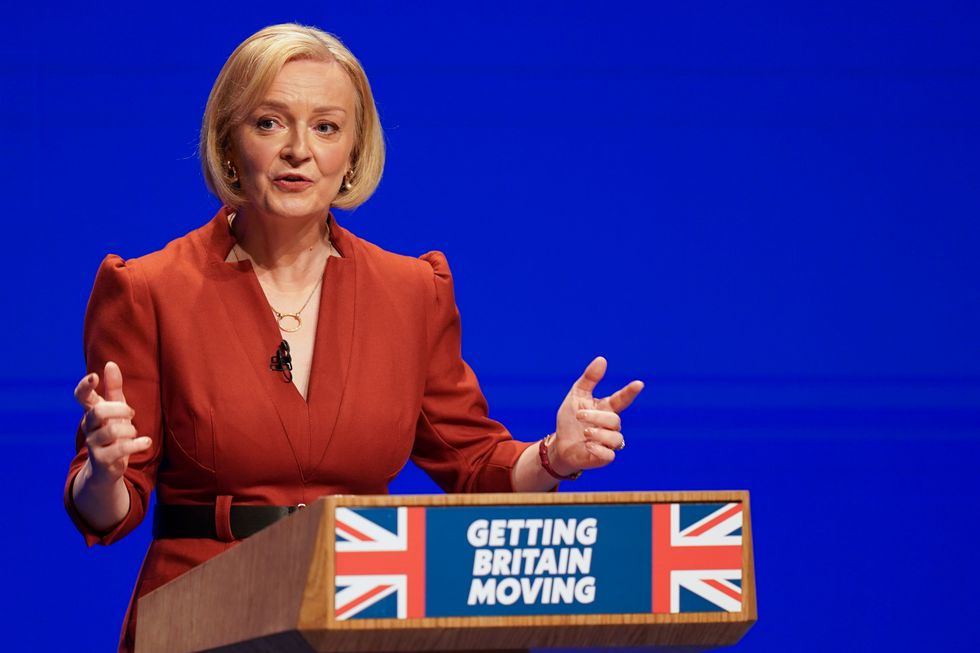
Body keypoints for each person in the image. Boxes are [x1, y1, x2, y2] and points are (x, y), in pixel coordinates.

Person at [64, 23, 644, 652]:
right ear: (229, 144)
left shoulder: (410, 291)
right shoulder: (150, 289)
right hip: (202, 612)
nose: (297, 150)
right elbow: (106, 511)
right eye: (269, 122)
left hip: (364, 611)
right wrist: (104, 467)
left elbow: (475, 467)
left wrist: (555, 456)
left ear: (352, 153)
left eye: (326, 127)